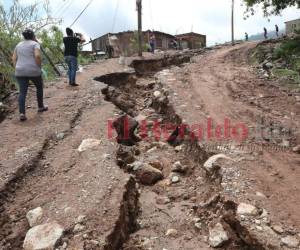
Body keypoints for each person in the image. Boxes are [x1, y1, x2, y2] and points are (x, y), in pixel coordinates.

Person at [12, 29, 48, 122]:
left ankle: (22, 113)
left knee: (22, 92)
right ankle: (40, 106)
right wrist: (39, 67)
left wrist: (17, 68)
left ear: (24, 36)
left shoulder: (18, 45)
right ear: (33, 35)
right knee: (39, 87)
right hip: (33, 70)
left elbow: (14, 58)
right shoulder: (35, 44)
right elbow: (37, 56)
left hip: (20, 71)